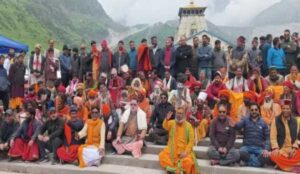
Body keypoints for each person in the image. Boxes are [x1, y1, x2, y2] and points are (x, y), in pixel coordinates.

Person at [159, 106, 199, 174]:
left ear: (184, 115)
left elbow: (191, 141)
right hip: (172, 150)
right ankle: (176, 170)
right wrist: (166, 119)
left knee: (189, 162)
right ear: (175, 114)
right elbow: (165, 126)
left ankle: (173, 170)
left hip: (183, 151)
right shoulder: (172, 123)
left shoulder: (188, 126)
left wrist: (186, 152)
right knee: (162, 156)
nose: (179, 115)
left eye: (181, 113)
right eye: (177, 113)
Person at [234, 103, 270, 167]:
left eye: (256, 110)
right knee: (240, 153)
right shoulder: (245, 120)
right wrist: (234, 124)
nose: (254, 111)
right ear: (249, 111)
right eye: (252, 110)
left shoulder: (263, 122)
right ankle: (258, 163)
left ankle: (247, 162)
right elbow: (237, 126)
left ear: (258, 111)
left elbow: (267, 138)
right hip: (247, 147)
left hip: (259, 148)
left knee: (266, 156)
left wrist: (266, 149)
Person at [270, 100, 300, 172]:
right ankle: (294, 165)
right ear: (281, 109)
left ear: (290, 109)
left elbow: (297, 137)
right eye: (283, 108)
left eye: (287, 108)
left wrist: (294, 148)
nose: (285, 110)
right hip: (281, 150)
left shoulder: (295, 121)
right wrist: (276, 148)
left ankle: (283, 165)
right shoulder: (276, 120)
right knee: (274, 155)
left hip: (292, 150)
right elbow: (273, 137)